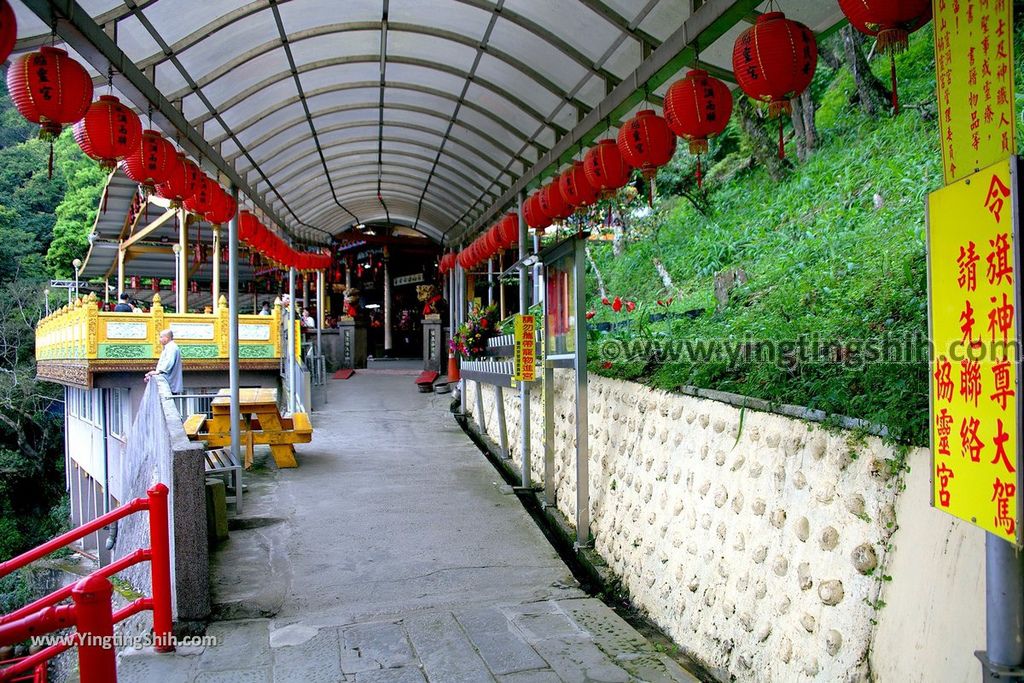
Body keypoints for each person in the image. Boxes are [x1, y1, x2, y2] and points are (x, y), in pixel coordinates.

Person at [145, 329, 183, 394]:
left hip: (169, 384)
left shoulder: (172, 348)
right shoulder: (168, 347)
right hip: (167, 383)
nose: (159, 339)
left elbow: (168, 363)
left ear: (166, 338)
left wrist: (157, 372)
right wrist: (150, 375)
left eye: (161, 337)